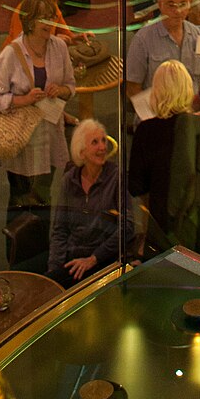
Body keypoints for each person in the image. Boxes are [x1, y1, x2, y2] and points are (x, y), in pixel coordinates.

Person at [0, 0, 75, 222]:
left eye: (53, 17)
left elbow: (71, 86)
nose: (51, 24)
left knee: (44, 199)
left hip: (51, 135)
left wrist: (60, 90)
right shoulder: (11, 55)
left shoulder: (59, 48)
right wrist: (24, 100)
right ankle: (17, 252)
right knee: (20, 200)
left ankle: (43, 249)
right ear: (30, 22)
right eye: (45, 19)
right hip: (21, 139)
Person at [128, 60, 200, 260]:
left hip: (165, 233)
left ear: (156, 92)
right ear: (187, 89)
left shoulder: (146, 131)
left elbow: (136, 187)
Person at [47, 119, 129, 286]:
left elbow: (127, 227)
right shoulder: (69, 180)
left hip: (102, 260)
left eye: (103, 140)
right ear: (81, 151)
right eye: (95, 142)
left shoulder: (116, 177)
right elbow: (59, 230)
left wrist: (94, 258)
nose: (102, 147)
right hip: (72, 257)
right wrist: (53, 271)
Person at [125, 0, 200, 105]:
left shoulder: (198, 36)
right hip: (156, 116)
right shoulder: (143, 39)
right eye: (171, 5)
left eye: (183, 4)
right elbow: (132, 88)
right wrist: (153, 116)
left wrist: (194, 112)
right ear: (160, 5)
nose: (177, 11)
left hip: (190, 114)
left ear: (190, 4)